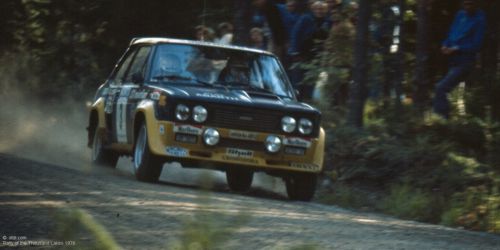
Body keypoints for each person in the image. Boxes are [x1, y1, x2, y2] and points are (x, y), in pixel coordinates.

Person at [433, 0, 486, 118]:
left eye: (471, 4)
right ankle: (451, 120)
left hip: (465, 61)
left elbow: (476, 45)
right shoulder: (460, 15)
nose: (468, 7)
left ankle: (441, 120)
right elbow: (451, 33)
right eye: (466, 4)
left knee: (441, 88)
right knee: (449, 91)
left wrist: (457, 48)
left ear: (476, 4)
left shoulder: (480, 18)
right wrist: (445, 44)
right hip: (452, 59)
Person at [288, 1, 331, 100]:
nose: (319, 11)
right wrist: (295, 51)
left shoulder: (327, 22)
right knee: (297, 80)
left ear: (326, 10)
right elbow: (295, 34)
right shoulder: (306, 18)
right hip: (301, 54)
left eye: (322, 9)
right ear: (313, 9)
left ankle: (307, 101)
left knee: (311, 81)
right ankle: (294, 100)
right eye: (317, 9)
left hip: (315, 57)